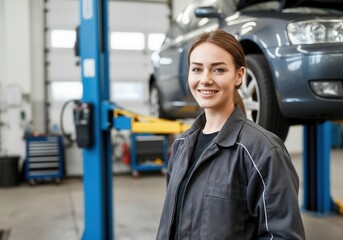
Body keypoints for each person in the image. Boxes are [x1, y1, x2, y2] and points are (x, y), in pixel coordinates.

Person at [156, 30, 305, 240]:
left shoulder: (262, 150)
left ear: (239, 76)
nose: (205, 79)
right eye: (197, 69)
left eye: (218, 70)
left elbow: (283, 235)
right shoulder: (181, 146)